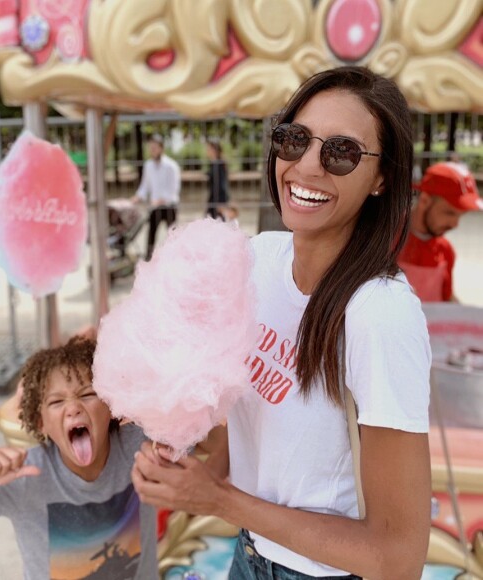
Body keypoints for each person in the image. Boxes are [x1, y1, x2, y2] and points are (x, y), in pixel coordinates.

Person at [132, 66, 432, 580]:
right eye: (295, 139)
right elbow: (250, 412)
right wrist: (193, 462)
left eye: (341, 152)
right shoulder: (257, 260)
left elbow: (397, 556)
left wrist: (221, 499)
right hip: (249, 555)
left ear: (382, 177)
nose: (307, 167)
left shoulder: (380, 315)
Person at [0, 337, 157, 580]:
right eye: (56, 401)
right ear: (40, 422)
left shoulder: (140, 444)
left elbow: (199, 441)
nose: (73, 408)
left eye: (87, 394)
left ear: (110, 405)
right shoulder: (26, 474)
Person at [398, 161, 482, 302]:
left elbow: (447, 298)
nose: (455, 224)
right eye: (449, 213)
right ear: (425, 200)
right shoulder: (384, 239)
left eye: (460, 215)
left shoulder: (445, 251)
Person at [131, 134, 181, 260]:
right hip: (155, 207)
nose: (152, 150)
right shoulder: (148, 165)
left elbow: (175, 188)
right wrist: (138, 197)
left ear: (161, 148)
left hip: (169, 206)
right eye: (150, 148)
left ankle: (176, 259)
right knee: (151, 234)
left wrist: (164, 199)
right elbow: (145, 186)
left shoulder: (172, 166)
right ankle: (148, 260)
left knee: (173, 234)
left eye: (154, 147)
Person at [206, 137, 230, 219]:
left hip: (218, 200)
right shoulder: (214, 163)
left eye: (209, 148)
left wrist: (221, 202)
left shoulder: (218, 164)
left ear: (214, 150)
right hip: (213, 199)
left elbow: (222, 184)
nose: (207, 151)